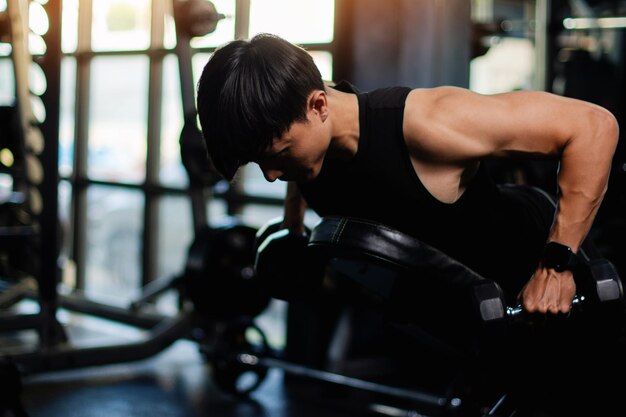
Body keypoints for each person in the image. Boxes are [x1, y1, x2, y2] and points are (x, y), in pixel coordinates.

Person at [196, 33, 619, 316]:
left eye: (279, 157)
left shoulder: (428, 122)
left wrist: (556, 267)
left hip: (540, 280)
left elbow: (594, 127)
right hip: (462, 311)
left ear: (319, 106)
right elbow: (298, 175)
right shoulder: (305, 149)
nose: (272, 175)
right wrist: (292, 227)